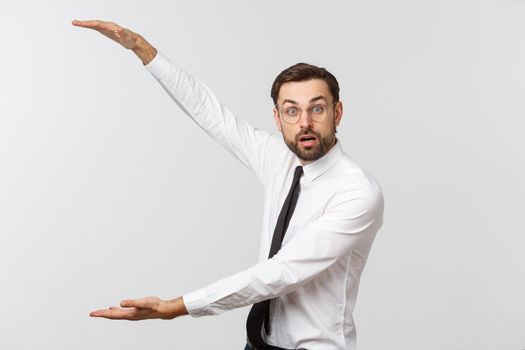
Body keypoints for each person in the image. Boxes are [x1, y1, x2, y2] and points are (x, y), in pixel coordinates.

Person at [72, 19, 385, 350]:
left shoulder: (358, 193)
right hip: (259, 344)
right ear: (278, 119)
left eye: (317, 108)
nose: (304, 122)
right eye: (291, 111)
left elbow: (280, 274)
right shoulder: (279, 158)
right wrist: (141, 48)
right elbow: (211, 113)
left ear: (337, 112)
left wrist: (176, 307)